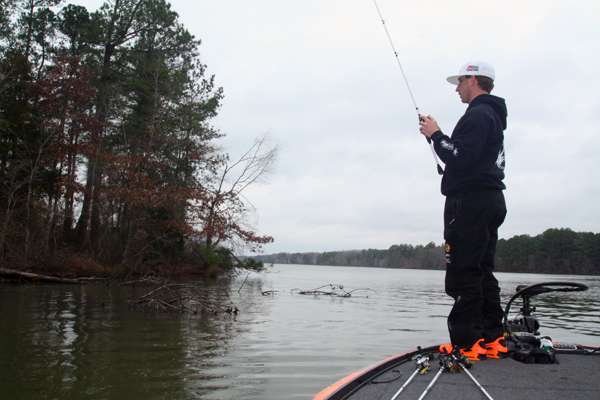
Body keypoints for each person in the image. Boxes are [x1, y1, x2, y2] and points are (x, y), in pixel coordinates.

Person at [418, 61, 508, 360]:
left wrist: (435, 134)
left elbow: (460, 156)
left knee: (463, 270)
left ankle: (466, 343)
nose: (456, 88)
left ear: (473, 79)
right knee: (482, 269)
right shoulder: (492, 116)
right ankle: (491, 338)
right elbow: (469, 157)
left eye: (459, 82)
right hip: (490, 200)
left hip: (470, 202)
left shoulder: (479, 114)